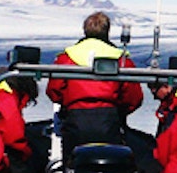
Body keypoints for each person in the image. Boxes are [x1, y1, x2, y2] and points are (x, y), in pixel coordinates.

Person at [46, 11, 143, 159]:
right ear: (107, 31)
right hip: (109, 122)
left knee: (73, 164)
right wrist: (120, 112)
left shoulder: (66, 58)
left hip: (74, 121)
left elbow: (54, 91)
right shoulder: (121, 60)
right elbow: (133, 97)